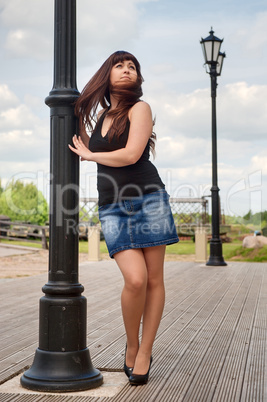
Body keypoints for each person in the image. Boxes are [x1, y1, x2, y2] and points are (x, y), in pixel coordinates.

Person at [69, 50, 179, 386]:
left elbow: (131, 154)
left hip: (148, 199)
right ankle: (131, 345)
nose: (127, 69)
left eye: (132, 66)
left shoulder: (140, 109)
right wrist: (75, 121)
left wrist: (90, 155)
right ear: (108, 74)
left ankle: (144, 351)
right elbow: (92, 148)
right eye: (120, 65)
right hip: (112, 206)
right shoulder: (101, 116)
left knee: (153, 280)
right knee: (135, 279)